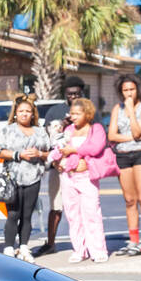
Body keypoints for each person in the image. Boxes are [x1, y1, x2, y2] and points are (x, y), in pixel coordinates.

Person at [53, 98, 115, 263]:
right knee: (73, 214)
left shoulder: (96, 129)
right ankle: (79, 250)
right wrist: (57, 161)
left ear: (87, 114)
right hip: (68, 176)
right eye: (72, 113)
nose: (73, 117)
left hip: (87, 177)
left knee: (92, 213)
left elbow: (95, 148)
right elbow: (58, 148)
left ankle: (98, 250)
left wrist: (74, 149)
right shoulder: (68, 129)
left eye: (77, 114)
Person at [34, 75, 87, 256]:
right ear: (64, 93)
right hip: (59, 167)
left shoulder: (88, 111)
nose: (73, 96)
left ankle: (83, 245)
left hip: (82, 168)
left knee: (82, 207)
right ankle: (50, 243)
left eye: (77, 93)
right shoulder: (55, 111)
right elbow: (47, 140)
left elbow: (94, 138)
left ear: (82, 93)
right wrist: (63, 126)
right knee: (56, 206)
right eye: (70, 93)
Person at [0, 96, 51, 262]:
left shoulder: (40, 131)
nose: (24, 114)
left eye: (27, 111)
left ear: (33, 114)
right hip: (13, 177)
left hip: (34, 176)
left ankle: (24, 247)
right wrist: (18, 155)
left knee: (27, 215)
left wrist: (40, 154)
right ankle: (9, 247)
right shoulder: (8, 130)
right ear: (16, 113)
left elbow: (50, 152)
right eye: (21, 111)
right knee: (13, 214)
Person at [108, 73, 141, 256]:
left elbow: (139, 131)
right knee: (130, 199)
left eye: (132, 89)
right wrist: (133, 137)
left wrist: (131, 111)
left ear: (138, 89)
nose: (129, 93)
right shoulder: (117, 108)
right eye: (125, 90)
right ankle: (133, 240)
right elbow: (112, 135)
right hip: (123, 155)